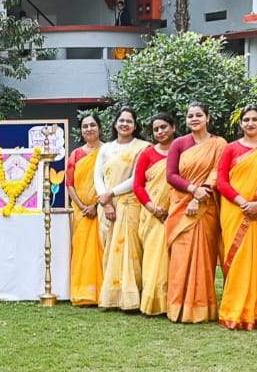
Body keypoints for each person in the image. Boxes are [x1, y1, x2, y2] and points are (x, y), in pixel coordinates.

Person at [216, 105, 257, 330]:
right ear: (241, 124)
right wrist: (243, 202)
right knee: (238, 258)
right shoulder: (230, 149)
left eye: (255, 119)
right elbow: (221, 181)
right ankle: (235, 310)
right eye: (246, 120)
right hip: (235, 210)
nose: (250, 123)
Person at [165, 103, 225, 324]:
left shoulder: (219, 144)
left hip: (206, 207)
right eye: (190, 115)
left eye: (199, 115)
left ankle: (201, 308)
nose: (194, 119)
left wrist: (201, 195)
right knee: (180, 258)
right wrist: (192, 191)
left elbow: (218, 171)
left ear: (208, 117)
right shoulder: (179, 144)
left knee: (204, 258)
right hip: (181, 206)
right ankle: (177, 308)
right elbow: (171, 175)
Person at [96, 107, 148, 310]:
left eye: (129, 121)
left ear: (135, 126)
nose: (125, 124)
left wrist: (111, 194)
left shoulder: (143, 147)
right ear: (115, 124)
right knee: (109, 247)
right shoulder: (106, 148)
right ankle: (112, 295)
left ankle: (131, 297)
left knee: (130, 249)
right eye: (121, 120)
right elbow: (97, 176)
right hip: (106, 204)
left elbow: (137, 178)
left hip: (129, 203)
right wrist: (106, 201)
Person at [133, 113, 176, 316]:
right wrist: (153, 208)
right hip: (152, 213)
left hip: (176, 211)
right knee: (153, 257)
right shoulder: (147, 154)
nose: (160, 132)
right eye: (156, 129)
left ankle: (173, 301)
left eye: (164, 127)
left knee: (175, 259)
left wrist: (172, 207)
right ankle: (153, 301)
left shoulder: (182, 150)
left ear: (173, 128)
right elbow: (138, 186)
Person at [67, 113, 105, 306]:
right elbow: (70, 184)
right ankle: (82, 292)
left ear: (99, 128)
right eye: (85, 126)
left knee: (102, 248)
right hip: (80, 211)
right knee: (81, 249)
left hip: (104, 208)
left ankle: (102, 292)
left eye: (92, 125)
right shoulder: (76, 154)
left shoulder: (107, 151)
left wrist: (96, 206)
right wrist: (83, 206)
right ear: (81, 131)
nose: (89, 129)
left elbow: (110, 181)